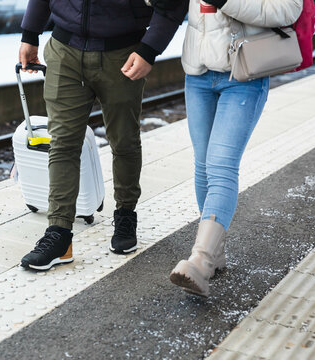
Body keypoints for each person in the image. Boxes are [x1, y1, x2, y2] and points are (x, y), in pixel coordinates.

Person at [18, 0, 188, 270]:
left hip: (122, 52)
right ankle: (59, 235)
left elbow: (173, 4)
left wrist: (149, 50)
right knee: (62, 144)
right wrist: (30, 33)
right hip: (64, 51)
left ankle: (125, 216)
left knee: (124, 141)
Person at [149, 0, 303, 296]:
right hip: (198, 72)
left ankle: (201, 261)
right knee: (203, 164)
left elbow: (288, 9)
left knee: (221, 165)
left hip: (244, 72)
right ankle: (215, 254)